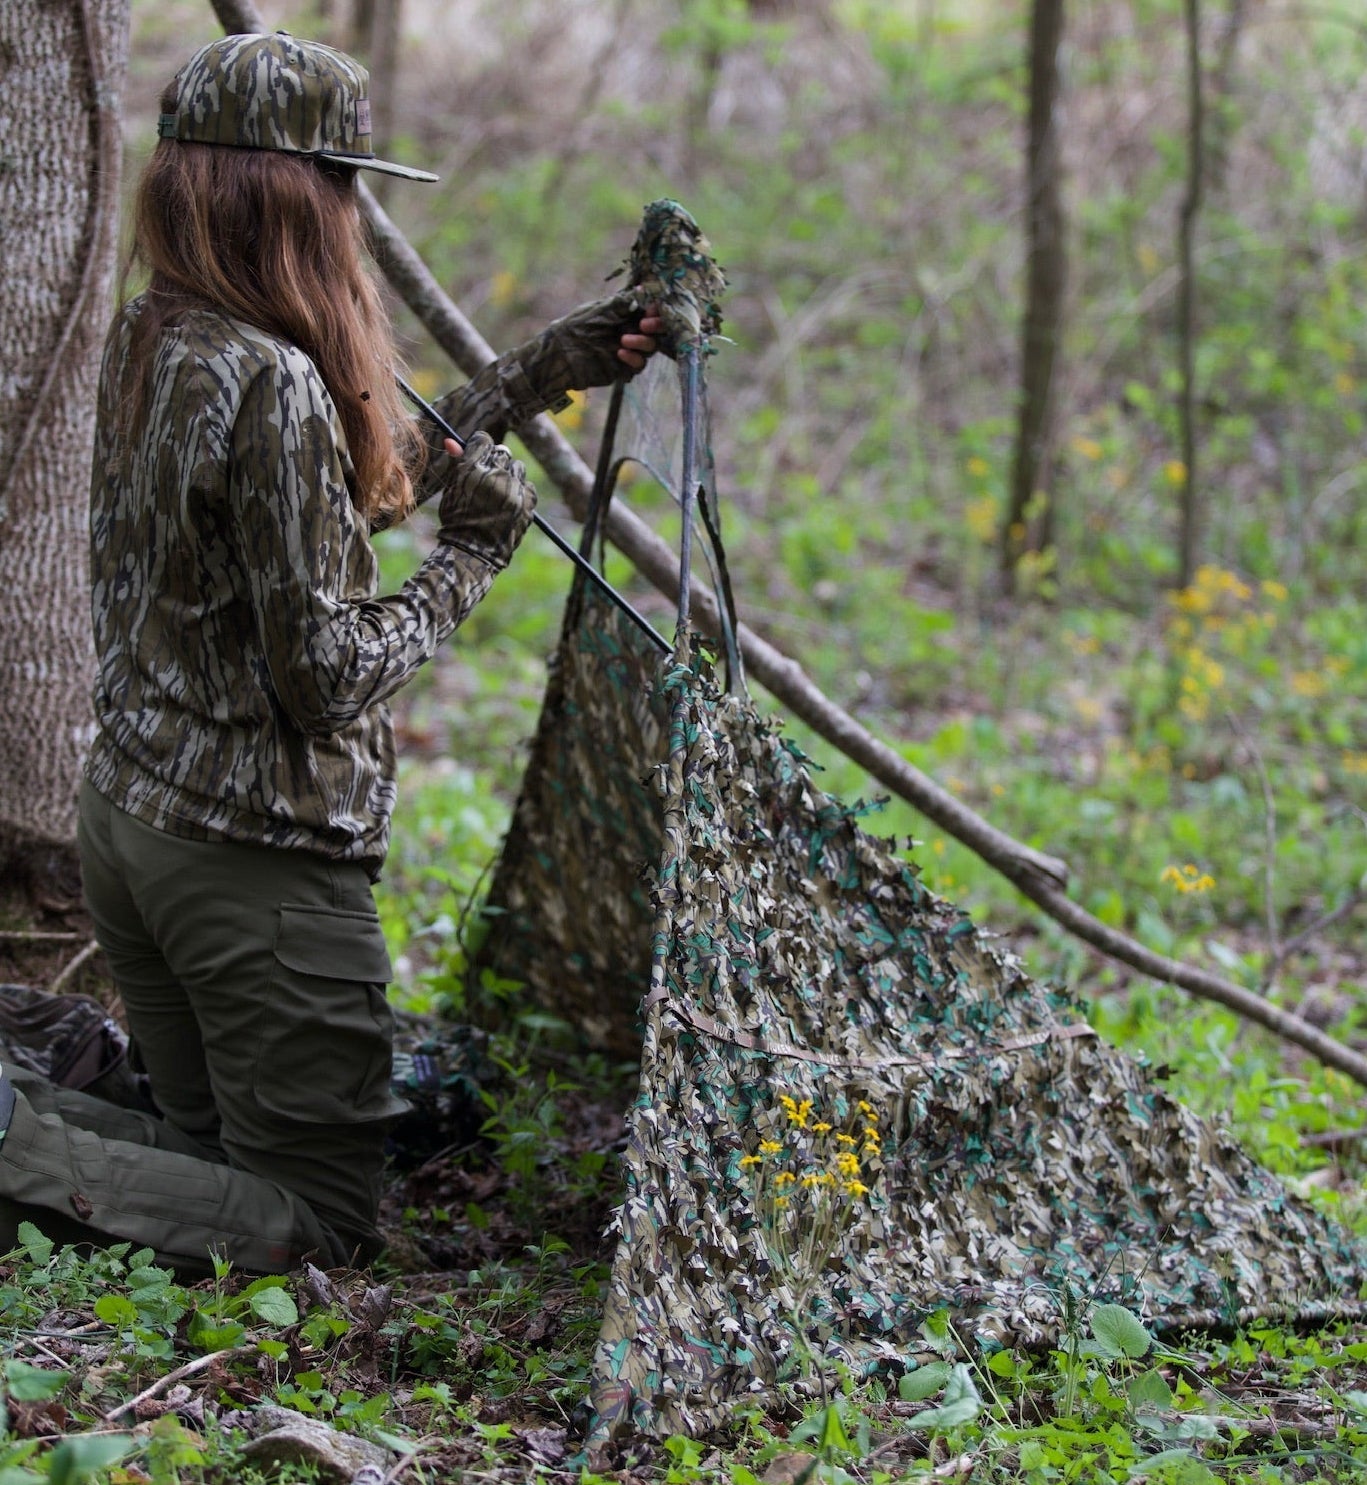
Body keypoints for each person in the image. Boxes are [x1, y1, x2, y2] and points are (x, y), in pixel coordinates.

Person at [0, 31, 662, 1274]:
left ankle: (29, 1131)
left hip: (135, 829)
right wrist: (472, 558)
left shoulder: (162, 333)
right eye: (342, 183)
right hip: (251, 867)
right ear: (288, 197)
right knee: (316, 1218)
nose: (353, 214)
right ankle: (13, 1145)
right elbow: (328, 678)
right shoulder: (273, 381)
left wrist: (543, 369)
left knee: (204, 1154)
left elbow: (318, 511)